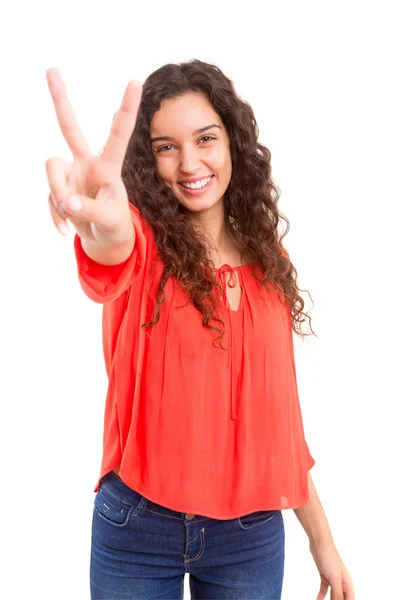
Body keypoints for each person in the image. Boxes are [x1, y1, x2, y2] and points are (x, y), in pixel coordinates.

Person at [45, 59, 355, 600]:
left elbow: (278, 422)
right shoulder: (140, 245)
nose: (189, 162)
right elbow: (109, 252)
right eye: (166, 146)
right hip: (136, 525)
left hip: (251, 536)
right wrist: (101, 225)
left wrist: (321, 539)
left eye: (205, 139)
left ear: (232, 142)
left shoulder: (268, 261)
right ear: (148, 160)